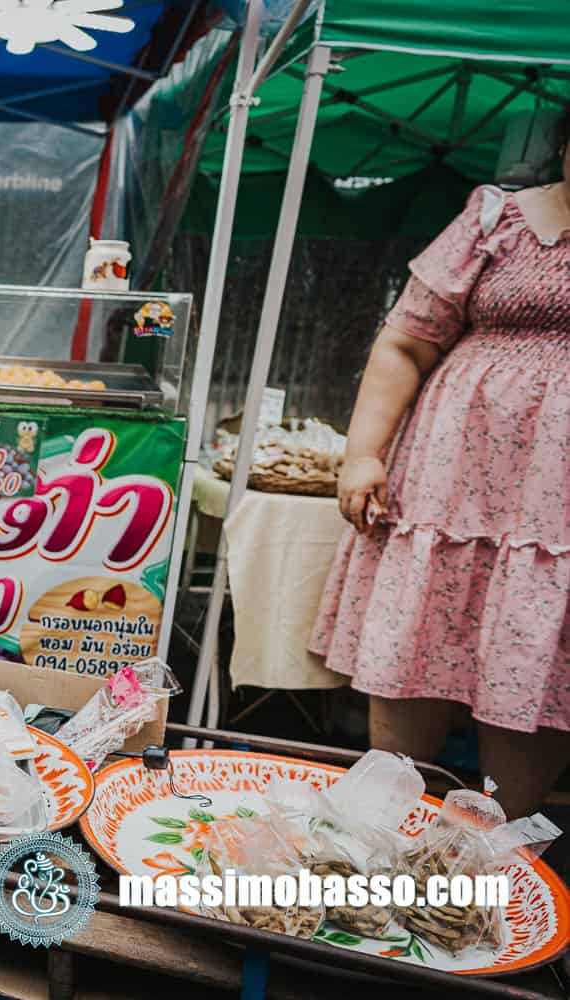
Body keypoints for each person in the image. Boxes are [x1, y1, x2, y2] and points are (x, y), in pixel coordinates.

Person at [310, 110, 570, 820]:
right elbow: (405, 342)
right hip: (450, 487)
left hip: (556, 523)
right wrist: (363, 454)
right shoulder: (496, 219)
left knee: (536, 671)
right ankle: (378, 834)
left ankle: (490, 853)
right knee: (413, 650)